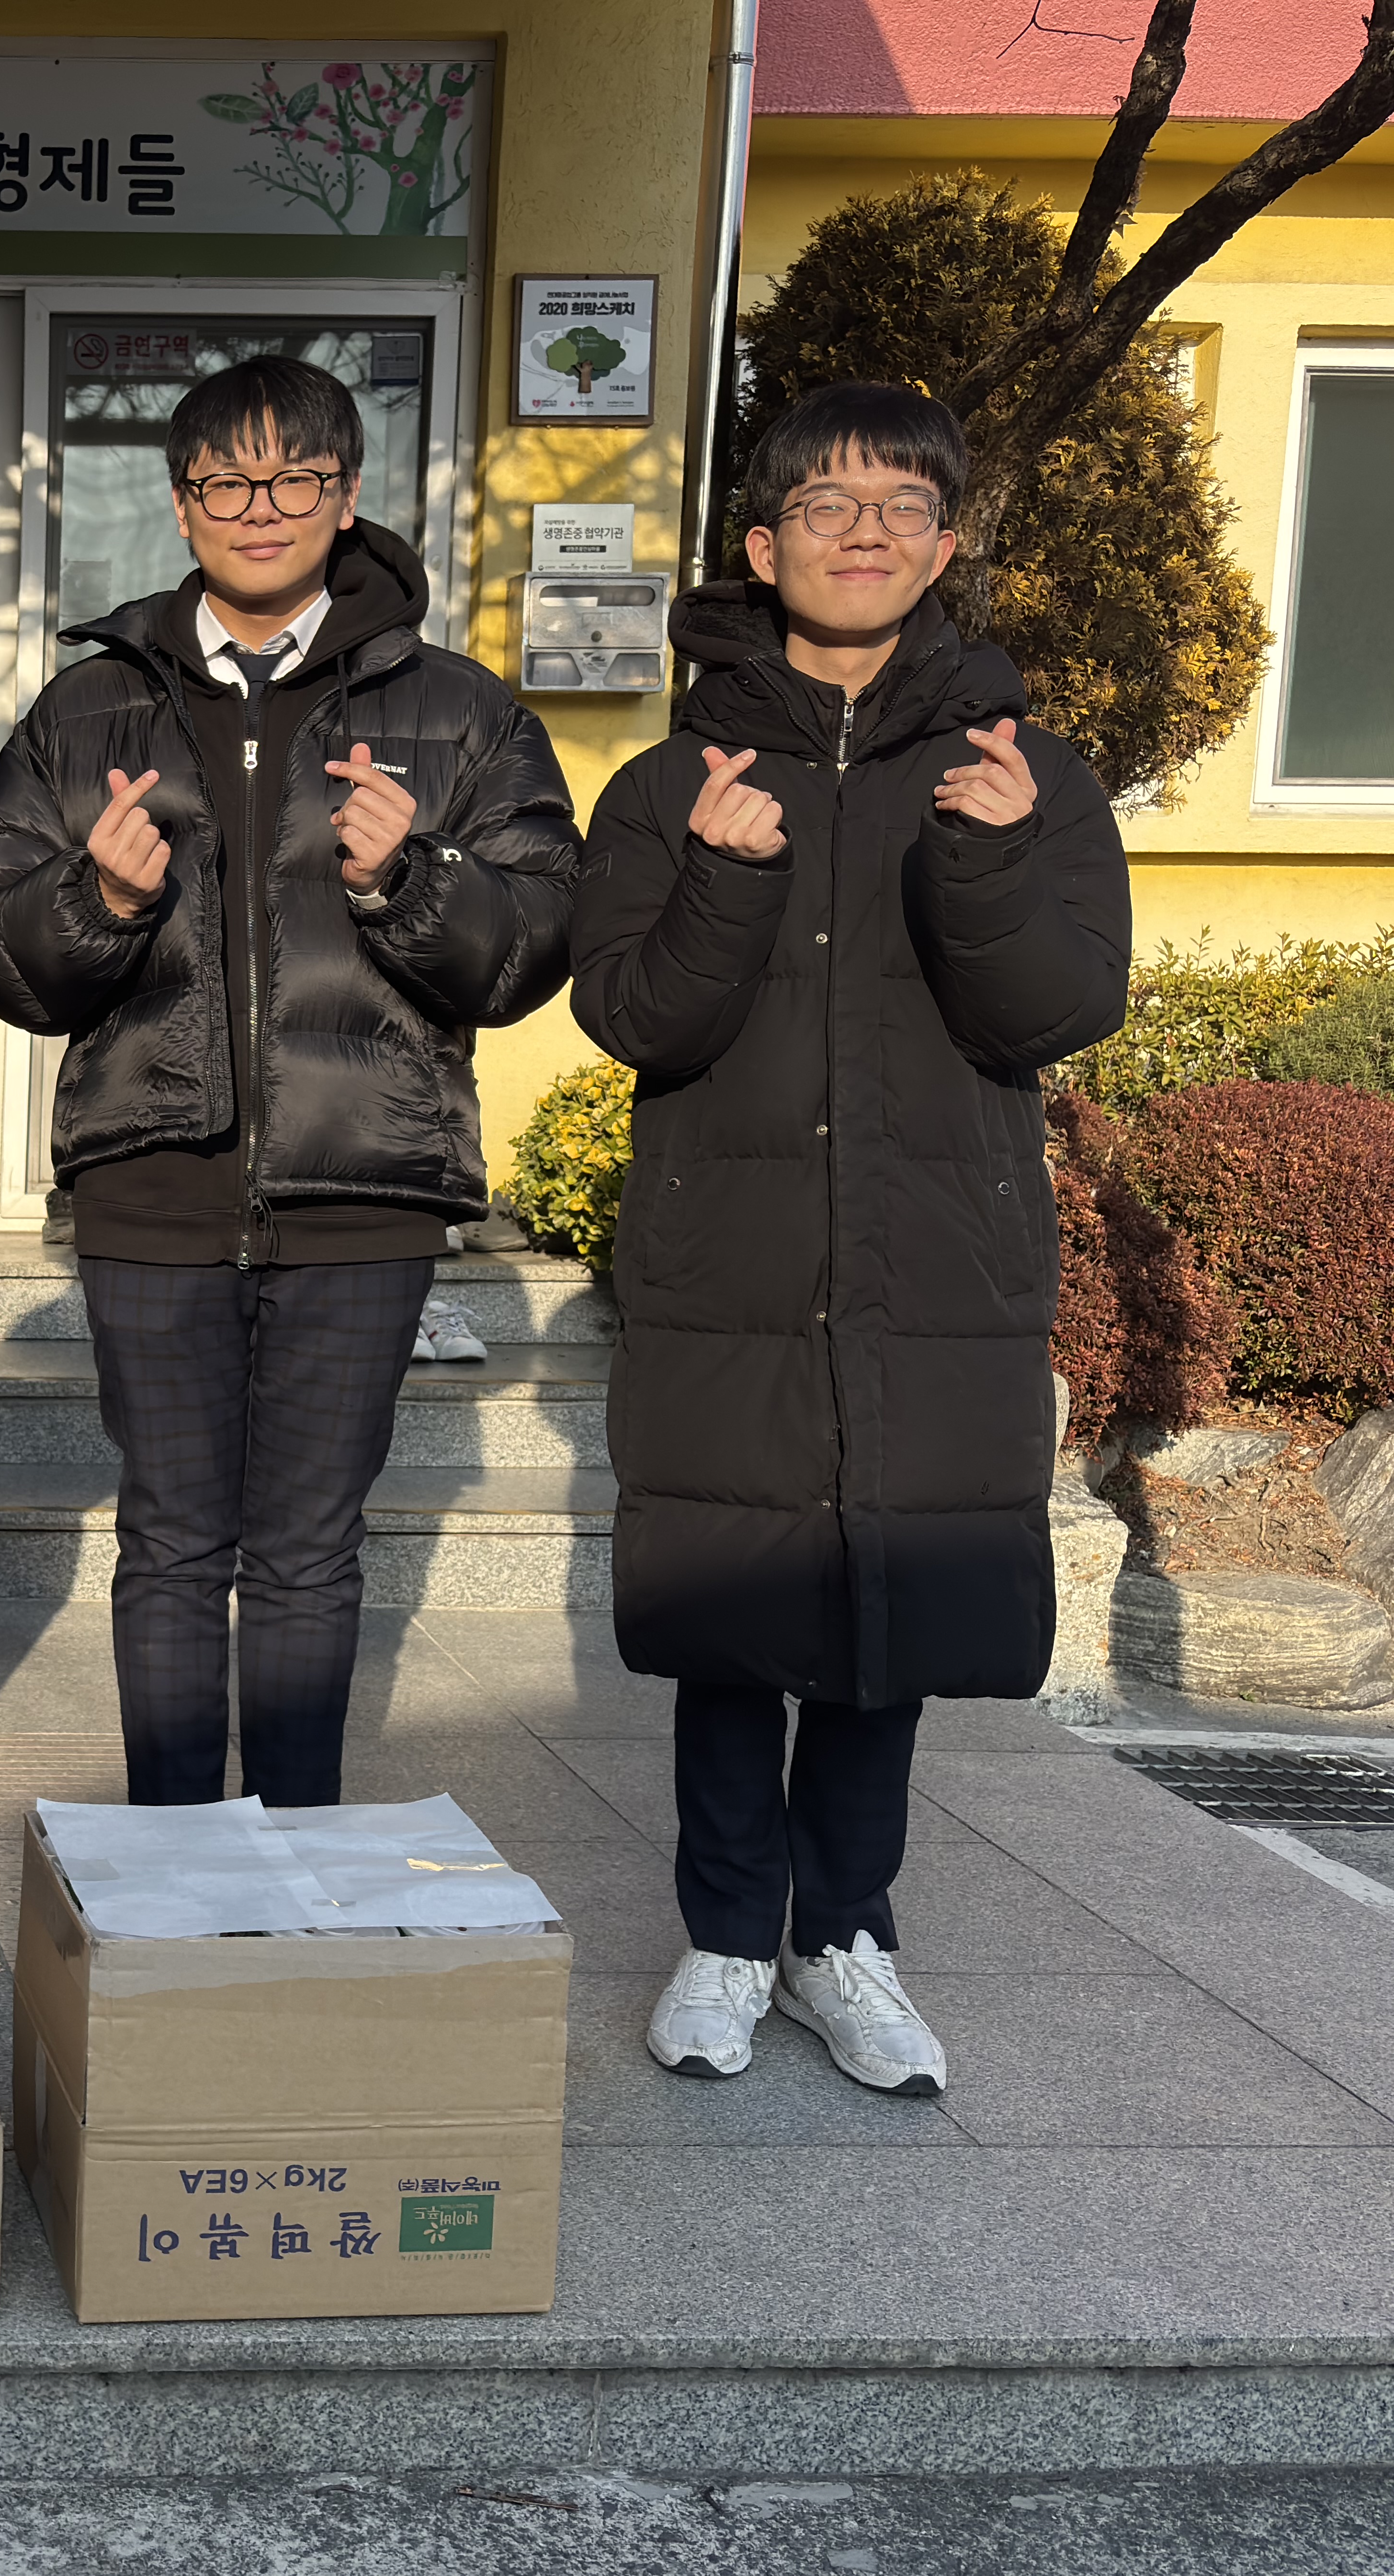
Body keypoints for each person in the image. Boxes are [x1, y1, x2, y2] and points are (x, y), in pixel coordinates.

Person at [578, 383, 1128, 2097]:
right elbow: (634, 1016)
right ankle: (733, 1935)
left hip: (931, 1254)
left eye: (904, 502)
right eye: (827, 503)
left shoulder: (1025, 775)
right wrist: (726, 875)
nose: (867, 526)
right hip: (731, 1255)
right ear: (763, 544)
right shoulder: (674, 779)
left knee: (886, 1600)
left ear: (948, 546)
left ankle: (849, 1937)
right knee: (741, 1597)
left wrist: (982, 861)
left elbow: (1057, 1006)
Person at [0, 356, 578, 1814]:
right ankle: (172, 1863)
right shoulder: (92, 709)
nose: (261, 507)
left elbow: (536, 942)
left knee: (307, 1546)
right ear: (182, 506)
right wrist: (95, 904)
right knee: (170, 1539)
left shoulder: (461, 712)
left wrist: (412, 880)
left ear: (348, 497)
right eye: (227, 481)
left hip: (363, 1188)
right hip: (151, 1184)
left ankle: (295, 1860)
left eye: (295, 477)